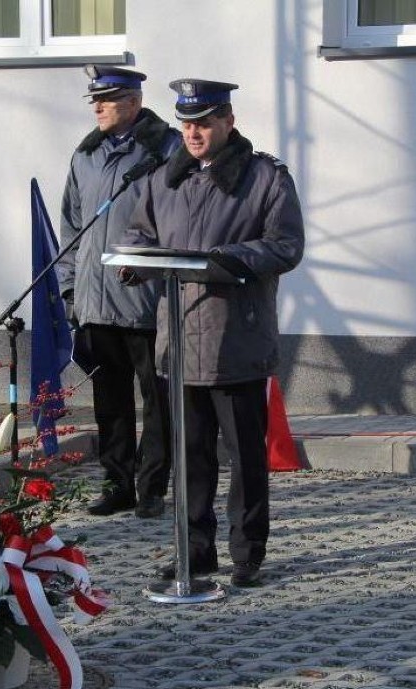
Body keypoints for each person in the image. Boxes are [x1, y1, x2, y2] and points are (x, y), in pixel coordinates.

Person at [118, 79, 305, 586]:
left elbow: (285, 245)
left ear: (228, 121)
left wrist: (225, 261)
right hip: (179, 343)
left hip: (236, 341)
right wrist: (135, 263)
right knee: (190, 458)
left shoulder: (265, 178)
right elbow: (140, 234)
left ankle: (247, 553)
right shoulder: (164, 180)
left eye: (203, 123)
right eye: (186, 124)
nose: (193, 134)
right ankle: (194, 551)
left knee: (245, 458)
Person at [57, 65, 179, 518]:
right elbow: (71, 226)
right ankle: (116, 484)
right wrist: (71, 289)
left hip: (148, 304)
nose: (97, 107)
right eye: (95, 99)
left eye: (106, 99)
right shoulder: (85, 154)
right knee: (110, 403)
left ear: (133, 102)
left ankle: (152, 489)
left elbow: (180, 221)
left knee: (158, 403)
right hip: (95, 301)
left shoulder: (166, 149)